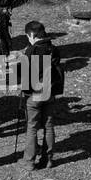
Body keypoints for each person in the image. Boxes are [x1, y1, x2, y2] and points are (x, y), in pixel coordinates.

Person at [22, 20, 63, 169]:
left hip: (34, 94)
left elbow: (25, 75)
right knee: (49, 125)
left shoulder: (31, 50)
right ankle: (48, 159)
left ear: (32, 34)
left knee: (32, 127)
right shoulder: (53, 49)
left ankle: (29, 161)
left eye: (28, 36)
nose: (28, 39)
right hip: (50, 91)